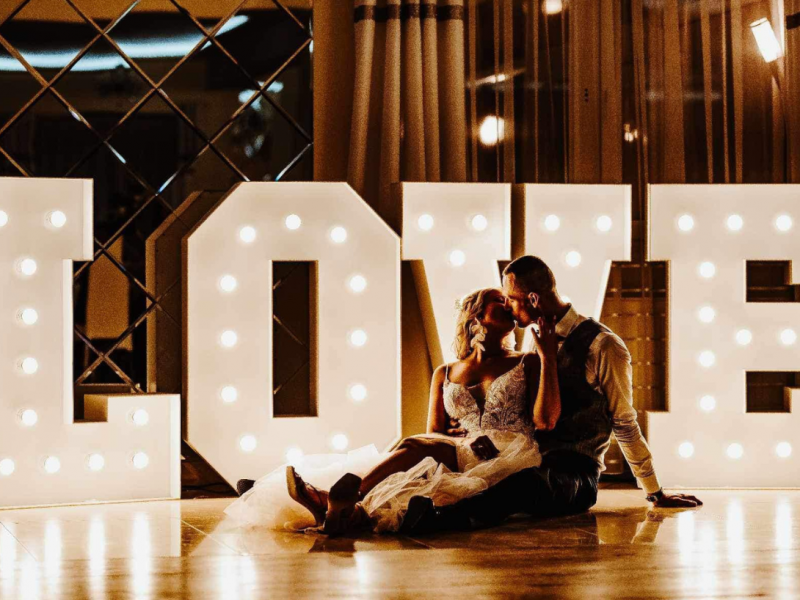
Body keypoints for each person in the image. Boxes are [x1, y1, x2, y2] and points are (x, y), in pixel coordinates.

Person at [399, 255, 702, 535]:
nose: (508, 308)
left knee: (526, 484)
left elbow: (624, 422)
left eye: (511, 299)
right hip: (524, 459)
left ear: (532, 299)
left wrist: (654, 491)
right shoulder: (534, 344)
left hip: (573, 473)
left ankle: (442, 518)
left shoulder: (603, 345)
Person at [225, 287, 562, 534]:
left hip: (508, 451)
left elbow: (545, 419)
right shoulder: (445, 372)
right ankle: (330, 505)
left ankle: (339, 496)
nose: (508, 305)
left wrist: (547, 357)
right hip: (460, 449)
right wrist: (462, 439)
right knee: (408, 448)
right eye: (499, 300)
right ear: (475, 314)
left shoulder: (526, 362)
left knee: (412, 446)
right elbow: (434, 432)